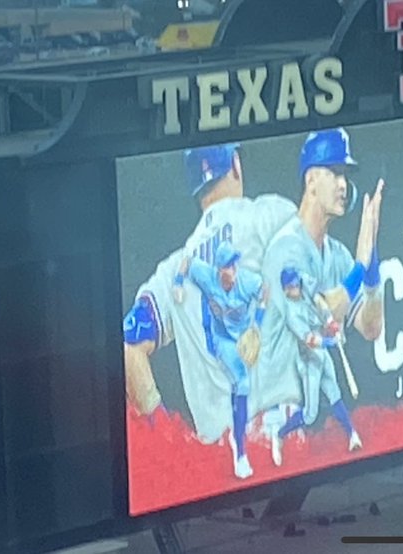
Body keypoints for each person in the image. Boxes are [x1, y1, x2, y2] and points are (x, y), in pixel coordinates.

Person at [122, 143, 299, 448]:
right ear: (235, 164)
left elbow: (129, 349)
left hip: (220, 468)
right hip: (282, 443)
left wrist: (165, 434)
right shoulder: (271, 216)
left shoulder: (174, 269)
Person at [268, 128, 387, 457]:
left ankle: (348, 434)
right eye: (334, 172)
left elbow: (371, 327)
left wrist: (372, 270)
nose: (343, 184)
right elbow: (326, 309)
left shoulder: (335, 255)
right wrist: (361, 266)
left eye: (345, 175)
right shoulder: (286, 248)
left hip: (306, 402)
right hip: (269, 409)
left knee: (323, 404)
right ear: (310, 181)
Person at [175, 243, 269, 478]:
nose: (232, 269)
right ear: (219, 269)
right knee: (242, 381)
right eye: (227, 265)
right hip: (222, 339)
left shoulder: (247, 281)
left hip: (243, 338)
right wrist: (178, 281)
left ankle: (239, 429)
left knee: (243, 385)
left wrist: (257, 323)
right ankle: (240, 451)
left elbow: (264, 291)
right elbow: (186, 261)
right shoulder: (206, 275)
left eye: (233, 263)